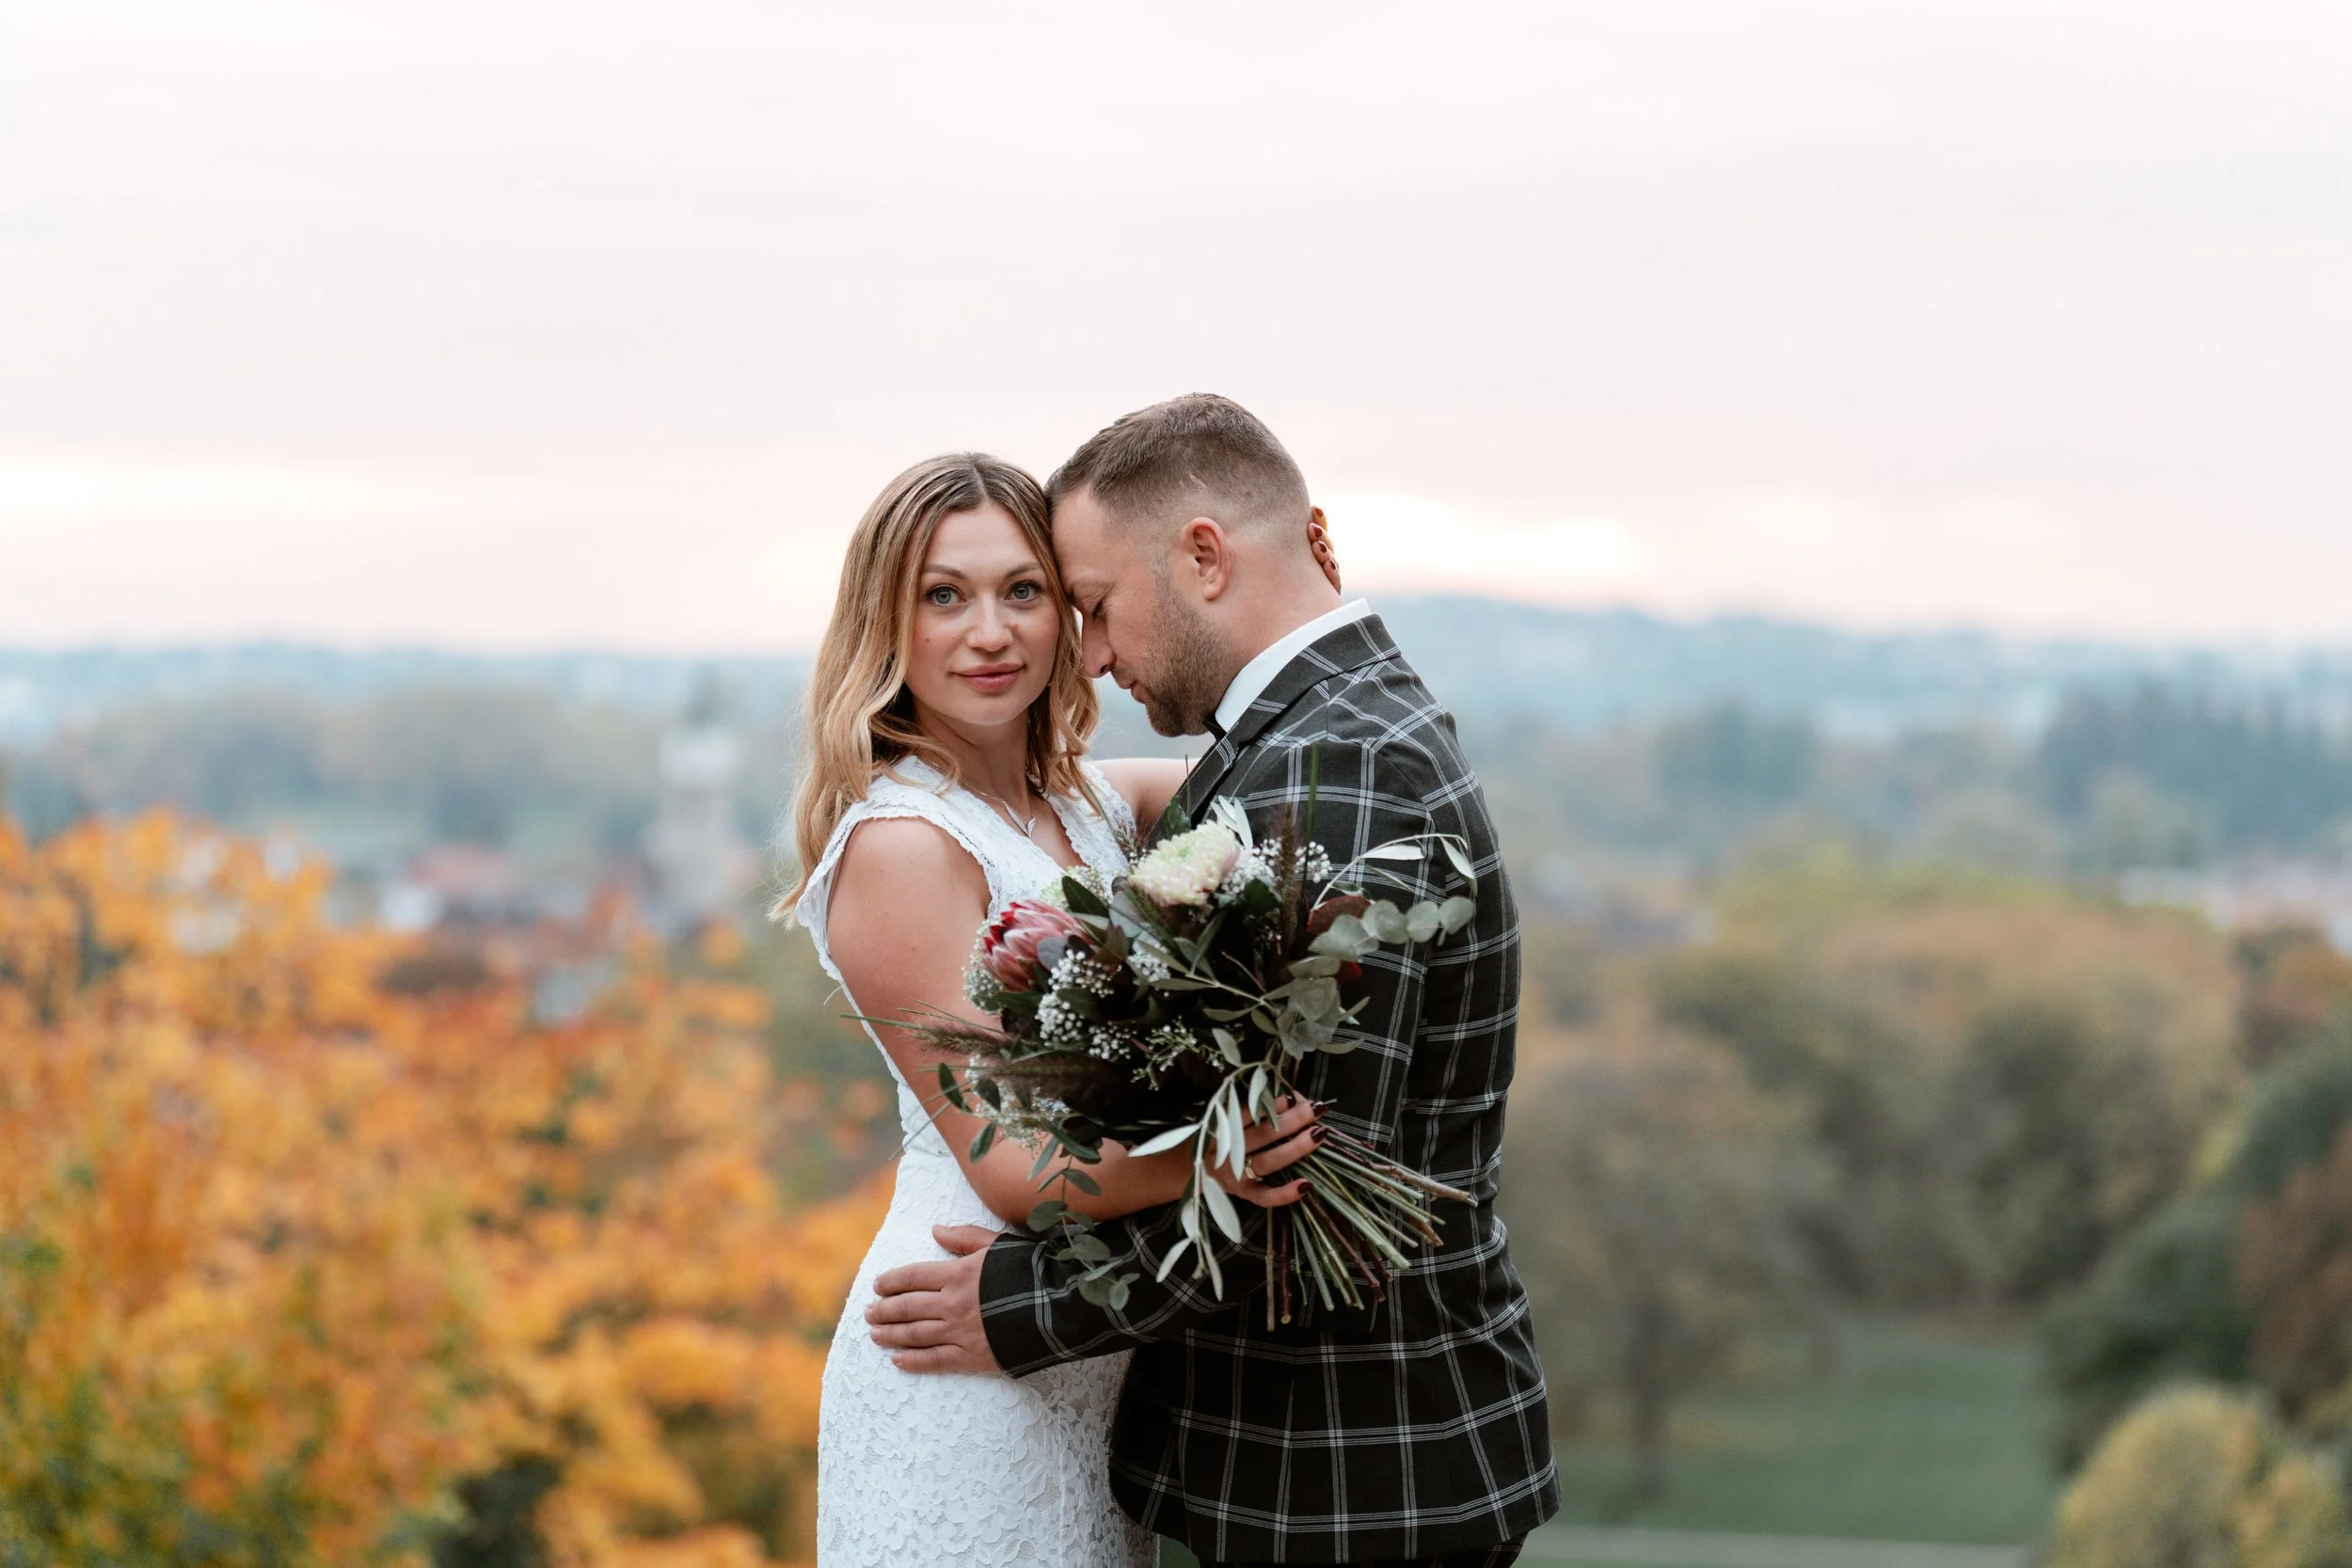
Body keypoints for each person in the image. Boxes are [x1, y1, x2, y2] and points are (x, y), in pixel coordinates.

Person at [866, 395, 1560, 1567]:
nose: (1087, 652)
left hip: (1350, 1474)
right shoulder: (1310, 735)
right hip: (1322, 1463)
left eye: (1089, 604)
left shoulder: (1338, 771)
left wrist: (1017, 1307)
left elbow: (1293, 1178)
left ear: (1201, 557)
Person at [775, 451, 1325, 1567]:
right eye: (944, 595)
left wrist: (1311, 604)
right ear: (885, 622)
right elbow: (1018, 1168)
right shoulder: (902, 849)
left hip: (1082, 1368)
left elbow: (1281, 776)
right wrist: (1219, 1155)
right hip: (961, 1360)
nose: (991, 631)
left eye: (1023, 590)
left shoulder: (1084, 799)